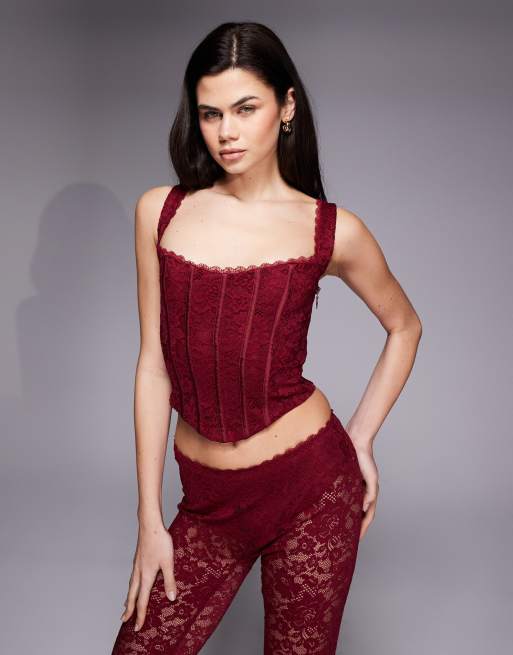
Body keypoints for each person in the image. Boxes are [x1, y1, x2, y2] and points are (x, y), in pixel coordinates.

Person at [111, 21, 422, 655]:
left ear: (286, 107)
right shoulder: (160, 212)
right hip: (207, 502)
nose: (226, 131)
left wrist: (361, 437)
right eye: (211, 113)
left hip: (312, 489)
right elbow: (153, 367)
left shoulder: (331, 230)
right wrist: (149, 518)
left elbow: (404, 325)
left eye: (245, 108)